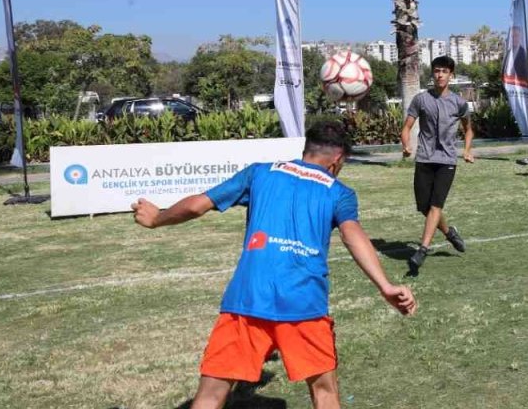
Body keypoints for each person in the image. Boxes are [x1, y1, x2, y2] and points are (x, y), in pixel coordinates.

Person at [131, 121, 416, 409]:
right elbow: (352, 234)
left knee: (210, 396)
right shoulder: (339, 192)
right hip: (304, 305)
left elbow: (198, 205)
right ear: (338, 159)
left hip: (247, 299)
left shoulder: (260, 173)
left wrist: (157, 218)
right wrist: (385, 286)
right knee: (324, 393)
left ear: (306, 149)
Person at [401, 55, 474, 274]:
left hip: (447, 160)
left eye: (444, 71)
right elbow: (406, 127)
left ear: (451, 75)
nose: (440, 75)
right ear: (432, 73)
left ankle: (422, 250)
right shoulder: (421, 100)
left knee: (435, 205)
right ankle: (449, 233)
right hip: (424, 158)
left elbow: (469, 129)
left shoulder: (459, 103)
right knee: (424, 206)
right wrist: (406, 145)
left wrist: (467, 150)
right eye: (436, 71)